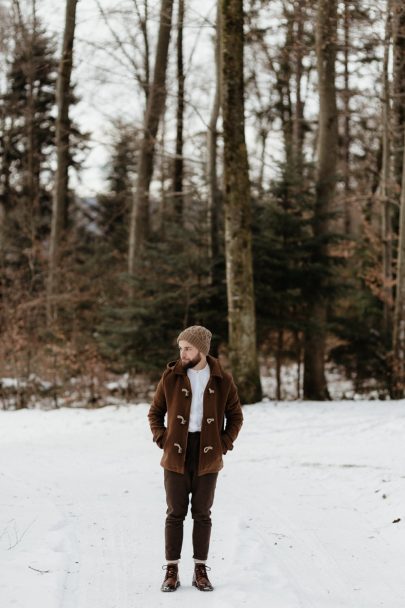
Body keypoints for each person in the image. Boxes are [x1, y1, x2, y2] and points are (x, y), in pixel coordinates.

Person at [148, 325, 243, 592]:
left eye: (187, 348)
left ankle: (200, 569)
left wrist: (223, 443)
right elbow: (155, 413)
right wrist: (162, 439)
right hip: (176, 452)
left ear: (201, 349)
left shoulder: (222, 379)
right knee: (175, 513)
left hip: (208, 453)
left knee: (202, 513)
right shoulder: (171, 377)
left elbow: (235, 416)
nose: (183, 353)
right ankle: (172, 569)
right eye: (181, 348)